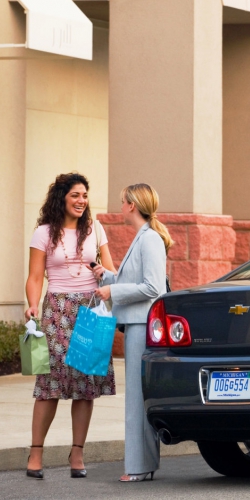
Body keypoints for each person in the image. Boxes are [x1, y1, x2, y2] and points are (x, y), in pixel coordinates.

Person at [25, 173, 117, 479]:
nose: (81, 201)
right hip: (56, 310)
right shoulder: (43, 233)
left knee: (85, 383)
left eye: (85, 196)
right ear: (62, 198)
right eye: (75, 195)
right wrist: (32, 304)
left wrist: (104, 272)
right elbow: (35, 276)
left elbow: (112, 270)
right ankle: (36, 452)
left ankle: (77, 453)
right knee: (49, 382)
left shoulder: (94, 229)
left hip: (90, 309)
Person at [92, 183, 171, 482]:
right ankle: (141, 465)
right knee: (136, 398)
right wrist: (108, 276)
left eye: (122, 201)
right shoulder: (143, 237)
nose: (120, 205)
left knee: (137, 399)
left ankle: (139, 467)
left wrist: (113, 289)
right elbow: (138, 279)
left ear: (131, 206)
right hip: (135, 326)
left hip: (141, 327)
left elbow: (153, 287)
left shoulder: (149, 239)